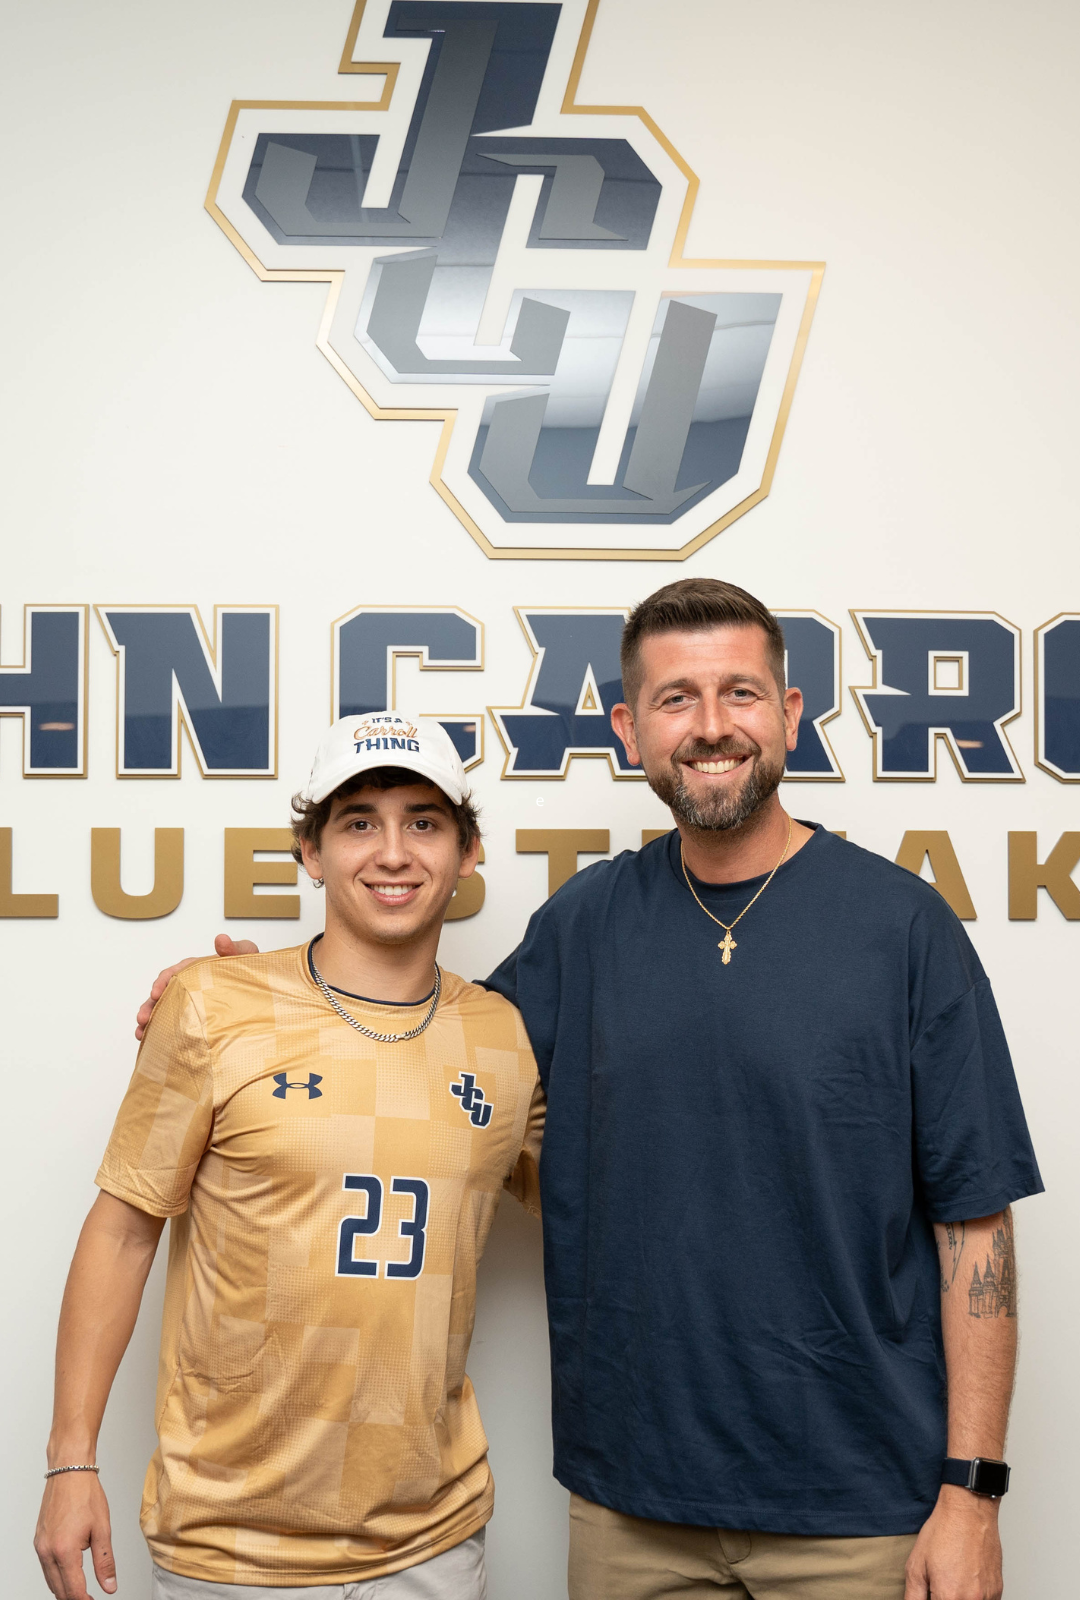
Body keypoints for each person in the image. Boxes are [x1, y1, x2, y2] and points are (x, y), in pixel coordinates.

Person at [130, 580, 1042, 1600]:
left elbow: (977, 1229)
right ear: (629, 726)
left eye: (741, 693)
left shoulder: (904, 931)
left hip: (860, 1513)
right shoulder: (587, 925)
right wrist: (266, 996)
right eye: (675, 699)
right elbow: (420, 1049)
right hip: (629, 1510)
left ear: (789, 715)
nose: (709, 727)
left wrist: (972, 1493)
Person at [34, 712, 544, 1600]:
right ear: (310, 851)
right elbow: (121, 1234)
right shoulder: (209, 1005)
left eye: (424, 822)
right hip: (227, 1546)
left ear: (468, 855)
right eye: (358, 823)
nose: (393, 852)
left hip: (433, 1541)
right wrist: (69, 1465)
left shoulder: (503, 1037)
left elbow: (602, 1196)